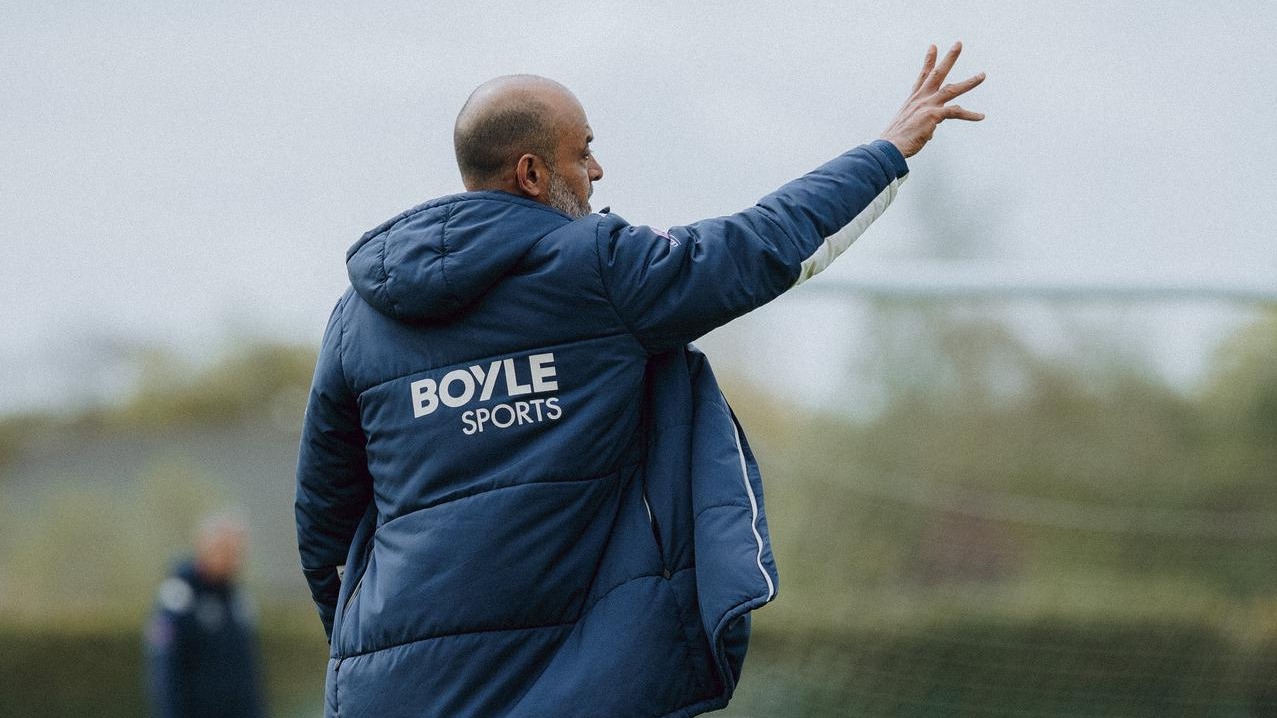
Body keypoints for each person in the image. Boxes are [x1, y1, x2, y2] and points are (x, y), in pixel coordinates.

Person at [295, 42, 984, 718]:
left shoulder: (354, 318)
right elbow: (761, 245)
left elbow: (323, 521)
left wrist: (363, 651)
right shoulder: (595, 269)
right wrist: (887, 150)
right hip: (572, 691)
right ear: (532, 173)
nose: (597, 168)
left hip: (388, 692)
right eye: (582, 149)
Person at [145, 513, 266, 718]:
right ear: (206, 547)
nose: (234, 560)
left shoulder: (238, 600)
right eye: (227, 551)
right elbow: (165, 674)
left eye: (238, 553)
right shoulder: (179, 597)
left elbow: (248, 676)